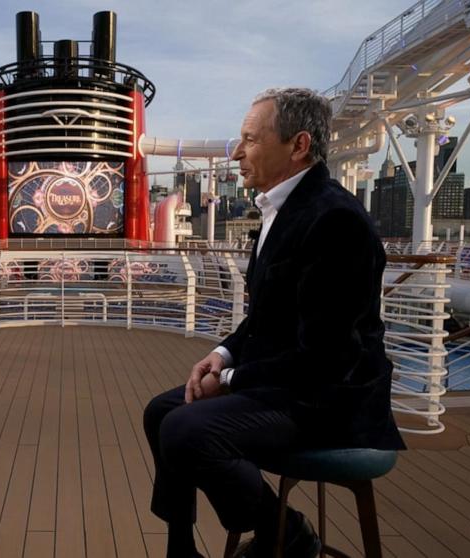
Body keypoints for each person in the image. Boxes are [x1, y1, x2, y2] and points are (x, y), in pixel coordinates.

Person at [142, 88, 405, 558]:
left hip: (329, 400)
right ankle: (181, 550)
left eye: (250, 139)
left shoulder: (335, 220)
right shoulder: (279, 211)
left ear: (298, 145)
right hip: (289, 385)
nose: (238, 153)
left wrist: (229, 380)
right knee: (161, 411)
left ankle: (284, 532)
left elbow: (328, 357)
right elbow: (264, 319)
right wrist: (220, 355)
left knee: (187, 430)